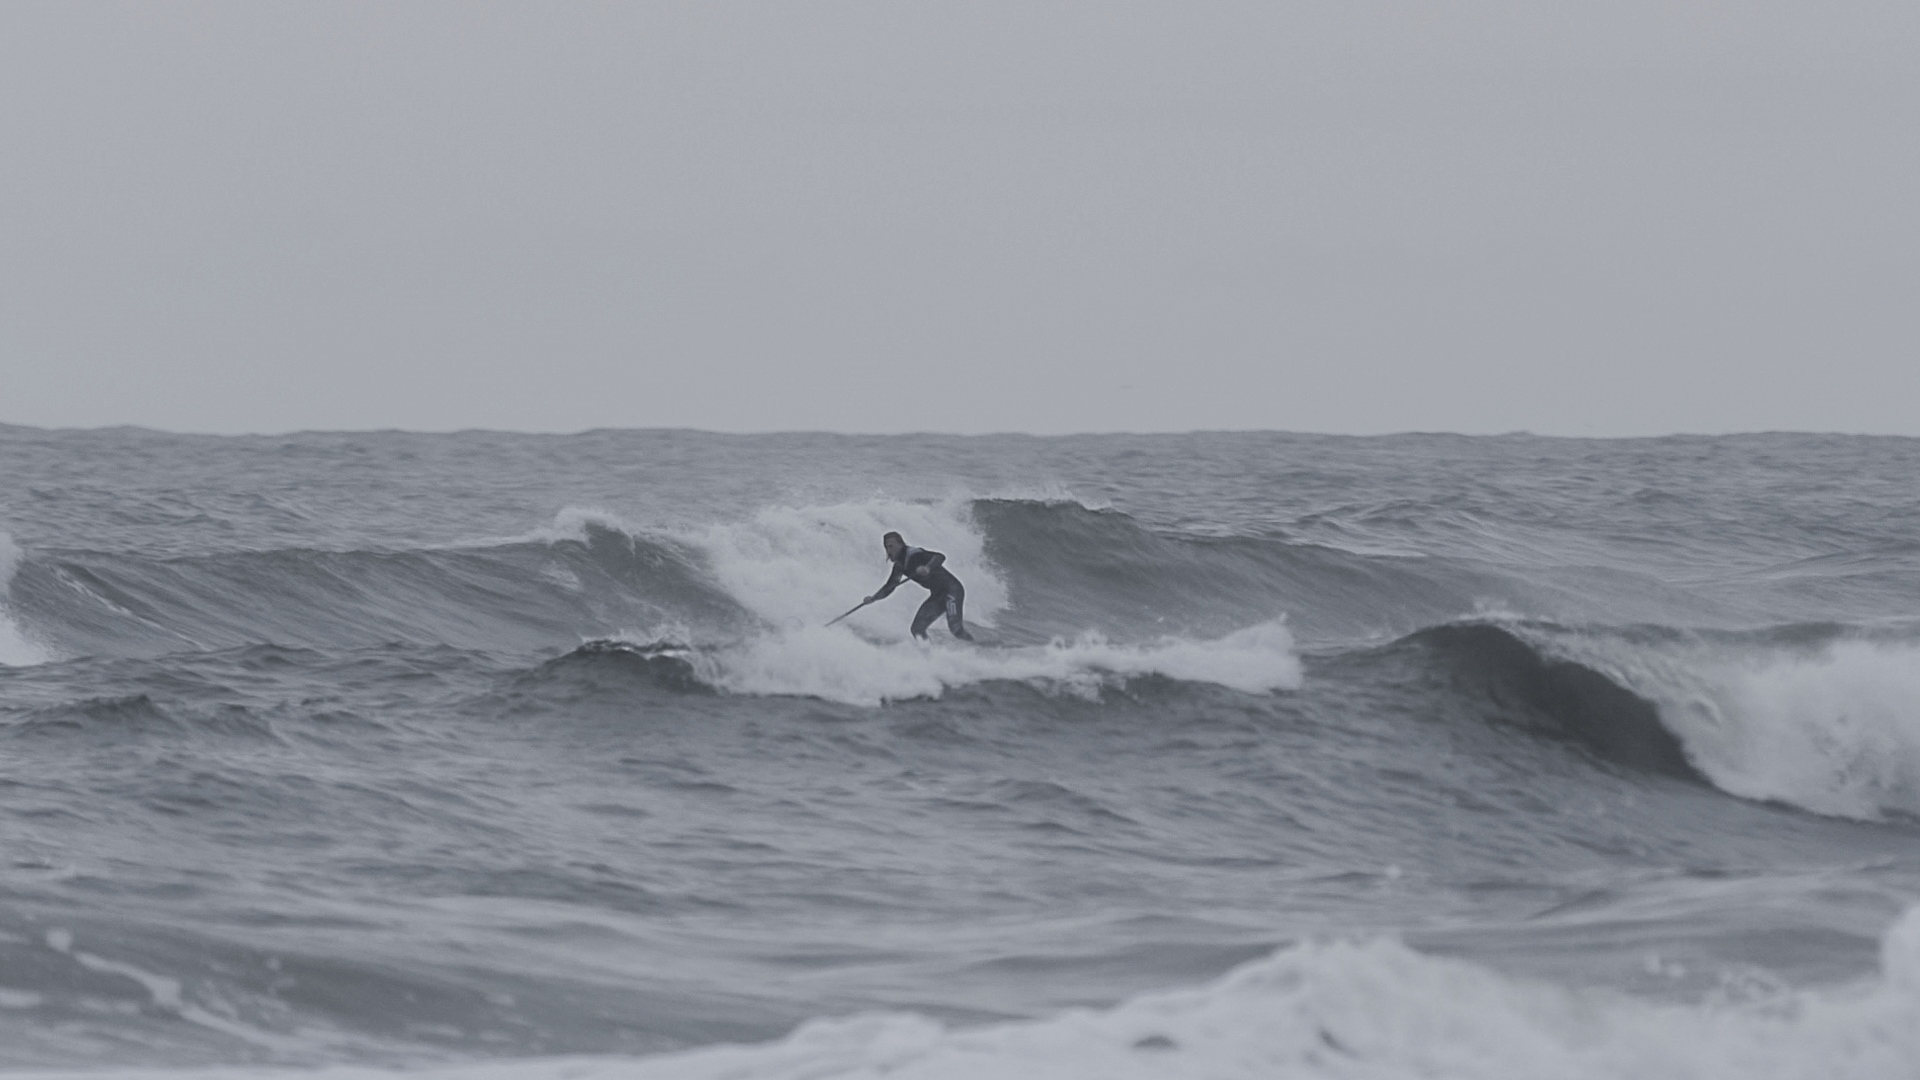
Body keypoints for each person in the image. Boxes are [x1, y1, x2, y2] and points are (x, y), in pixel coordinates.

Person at [866, 531, 974, 641]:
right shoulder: (899, 566)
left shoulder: (914, 554)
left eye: (891, 546)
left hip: (952, 591)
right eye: (886, 547)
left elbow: (940, 557)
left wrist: (928, 567)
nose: (889, 551)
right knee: (917, 629)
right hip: (938, 596)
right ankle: (929, 654)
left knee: (955, 628)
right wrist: (874, 598)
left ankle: (975, 647)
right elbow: (890, 586)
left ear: (900, 544)